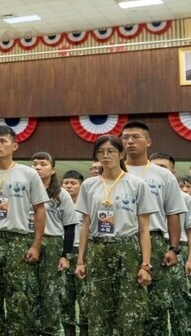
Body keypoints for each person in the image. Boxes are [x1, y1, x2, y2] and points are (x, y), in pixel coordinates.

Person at [0, 125, 49, 336]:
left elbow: (40, 210)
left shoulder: (28, 174)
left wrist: (36, 245)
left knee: (18, 298)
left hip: (17, 240)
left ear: (15, 145)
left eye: (3, 141)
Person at [75, 135, 157, 335]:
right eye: (101, 152)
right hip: (97, 249)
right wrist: (80, 260)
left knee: (130, 308)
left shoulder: (137, 184)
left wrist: (145, 265)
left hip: (127, 249)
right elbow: (85, 224)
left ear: (121, 154)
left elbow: (144, 229)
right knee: (97, 307)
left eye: (111, 151)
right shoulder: (89, 185)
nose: (105, 156)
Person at [121, 121, 186, 335]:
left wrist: (173, 248)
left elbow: (173, 213)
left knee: (157, 304)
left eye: (135, 137)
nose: (129, 141)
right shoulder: (112, 171)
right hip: (122, 241)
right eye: (125, 137)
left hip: (156, 240)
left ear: (148, 142)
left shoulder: (163, 175)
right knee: (124, 302)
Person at [31, 152, 78, 336]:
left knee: (50, 292)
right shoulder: (24, 189)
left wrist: (65, 255)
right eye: (34, 164)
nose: (38, 167)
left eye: (43, 164)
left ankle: (49, 331)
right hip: (28, 241)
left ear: (53, 169)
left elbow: (69, 226)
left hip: (52, 244)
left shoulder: (61, 194)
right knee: (28, 290)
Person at [149, 151, 191, 336]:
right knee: (152, 305)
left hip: (177, 249)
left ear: (172, 173)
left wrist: (190, 258)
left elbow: (190, 229)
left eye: (163, 167)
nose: (158, 171)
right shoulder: (142, 193)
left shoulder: (186, 199)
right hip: (150, 248)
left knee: (178, 305)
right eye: (154, 166)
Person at [60, 170, 87, 336]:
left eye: (73, 183)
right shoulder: (59, 203)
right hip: (64, 254)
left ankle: (85, 330)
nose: (69, 186)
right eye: (66, 183)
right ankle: (69, 331)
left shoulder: (86, 205)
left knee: (85, 297)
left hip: (82, 253)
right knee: (65, 298)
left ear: (81, 185)